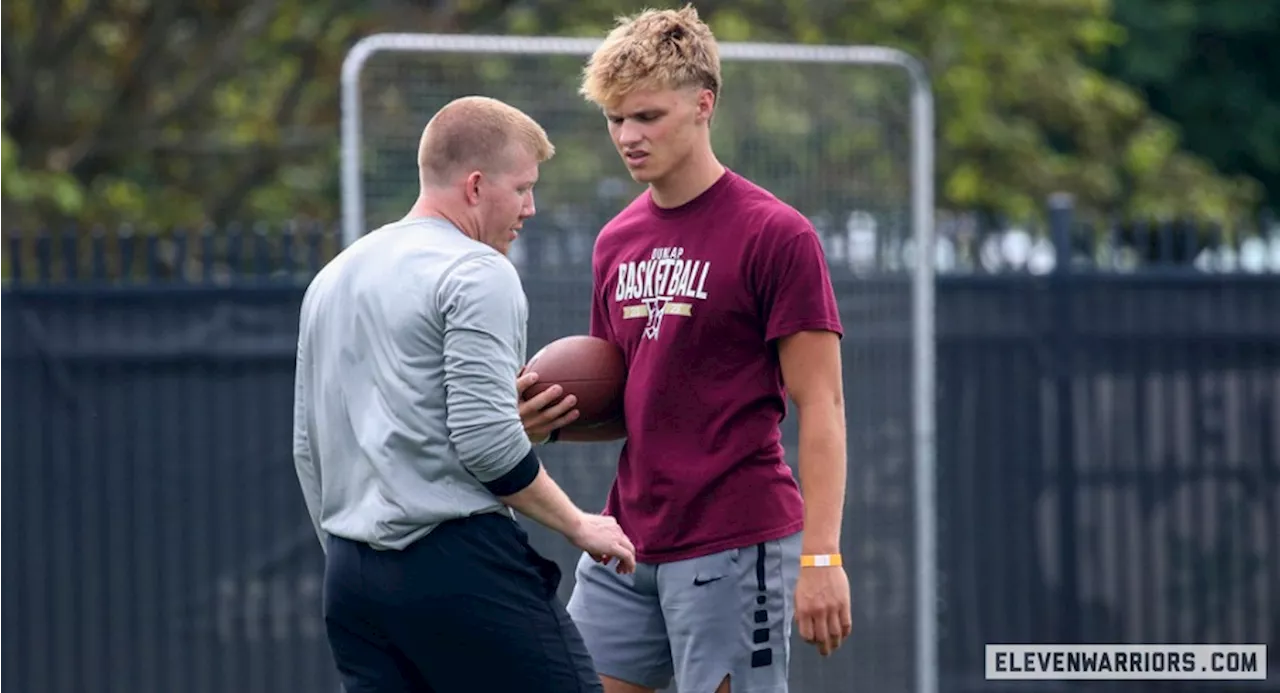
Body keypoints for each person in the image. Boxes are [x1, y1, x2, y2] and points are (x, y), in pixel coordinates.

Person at [517, 6, 854, 693]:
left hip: (734, 542)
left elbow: (822, 403)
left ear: (704, 104)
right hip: (628, 541)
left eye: (647, 116)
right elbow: (622, 397)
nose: (627, 137)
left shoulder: (775, 234)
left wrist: (822, 556)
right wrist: (549, 419)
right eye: (615, 119)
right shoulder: (615, 241)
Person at [292, 95, 635, 693]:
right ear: (475, 186)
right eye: (523, 187)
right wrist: (580, 525)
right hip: (457, 565)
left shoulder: (333, 277)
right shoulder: (478, 270)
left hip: (350, 579)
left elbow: (307, 447)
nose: (531, 207)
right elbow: (485, 443)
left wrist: (359, 559)